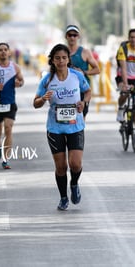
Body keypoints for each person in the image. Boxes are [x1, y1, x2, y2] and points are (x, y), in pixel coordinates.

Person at [33, 44, 91, 211]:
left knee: (75, 164)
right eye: (57, 58)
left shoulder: (77, 76)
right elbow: (35, 103)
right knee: (61, 167)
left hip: (75, 126)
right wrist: (43, 98)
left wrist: (83, 102)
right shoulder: (47, 80)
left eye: (64, 58)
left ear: (68, 59)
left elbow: (87, 91)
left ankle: (74, 184)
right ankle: (63, 198)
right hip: (55, 128)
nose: (61, 61)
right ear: (52, 60)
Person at [64, 25, 100, 118]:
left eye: (74, 35)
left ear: (78, 36)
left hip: (82, 90)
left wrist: (84, 72)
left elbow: (97, 69)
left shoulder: (85, 52)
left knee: (81, 117)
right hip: (65, 90)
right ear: (66, 36)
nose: (72, 37)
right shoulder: (61, 52)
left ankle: (79, 132)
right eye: (70, 35)